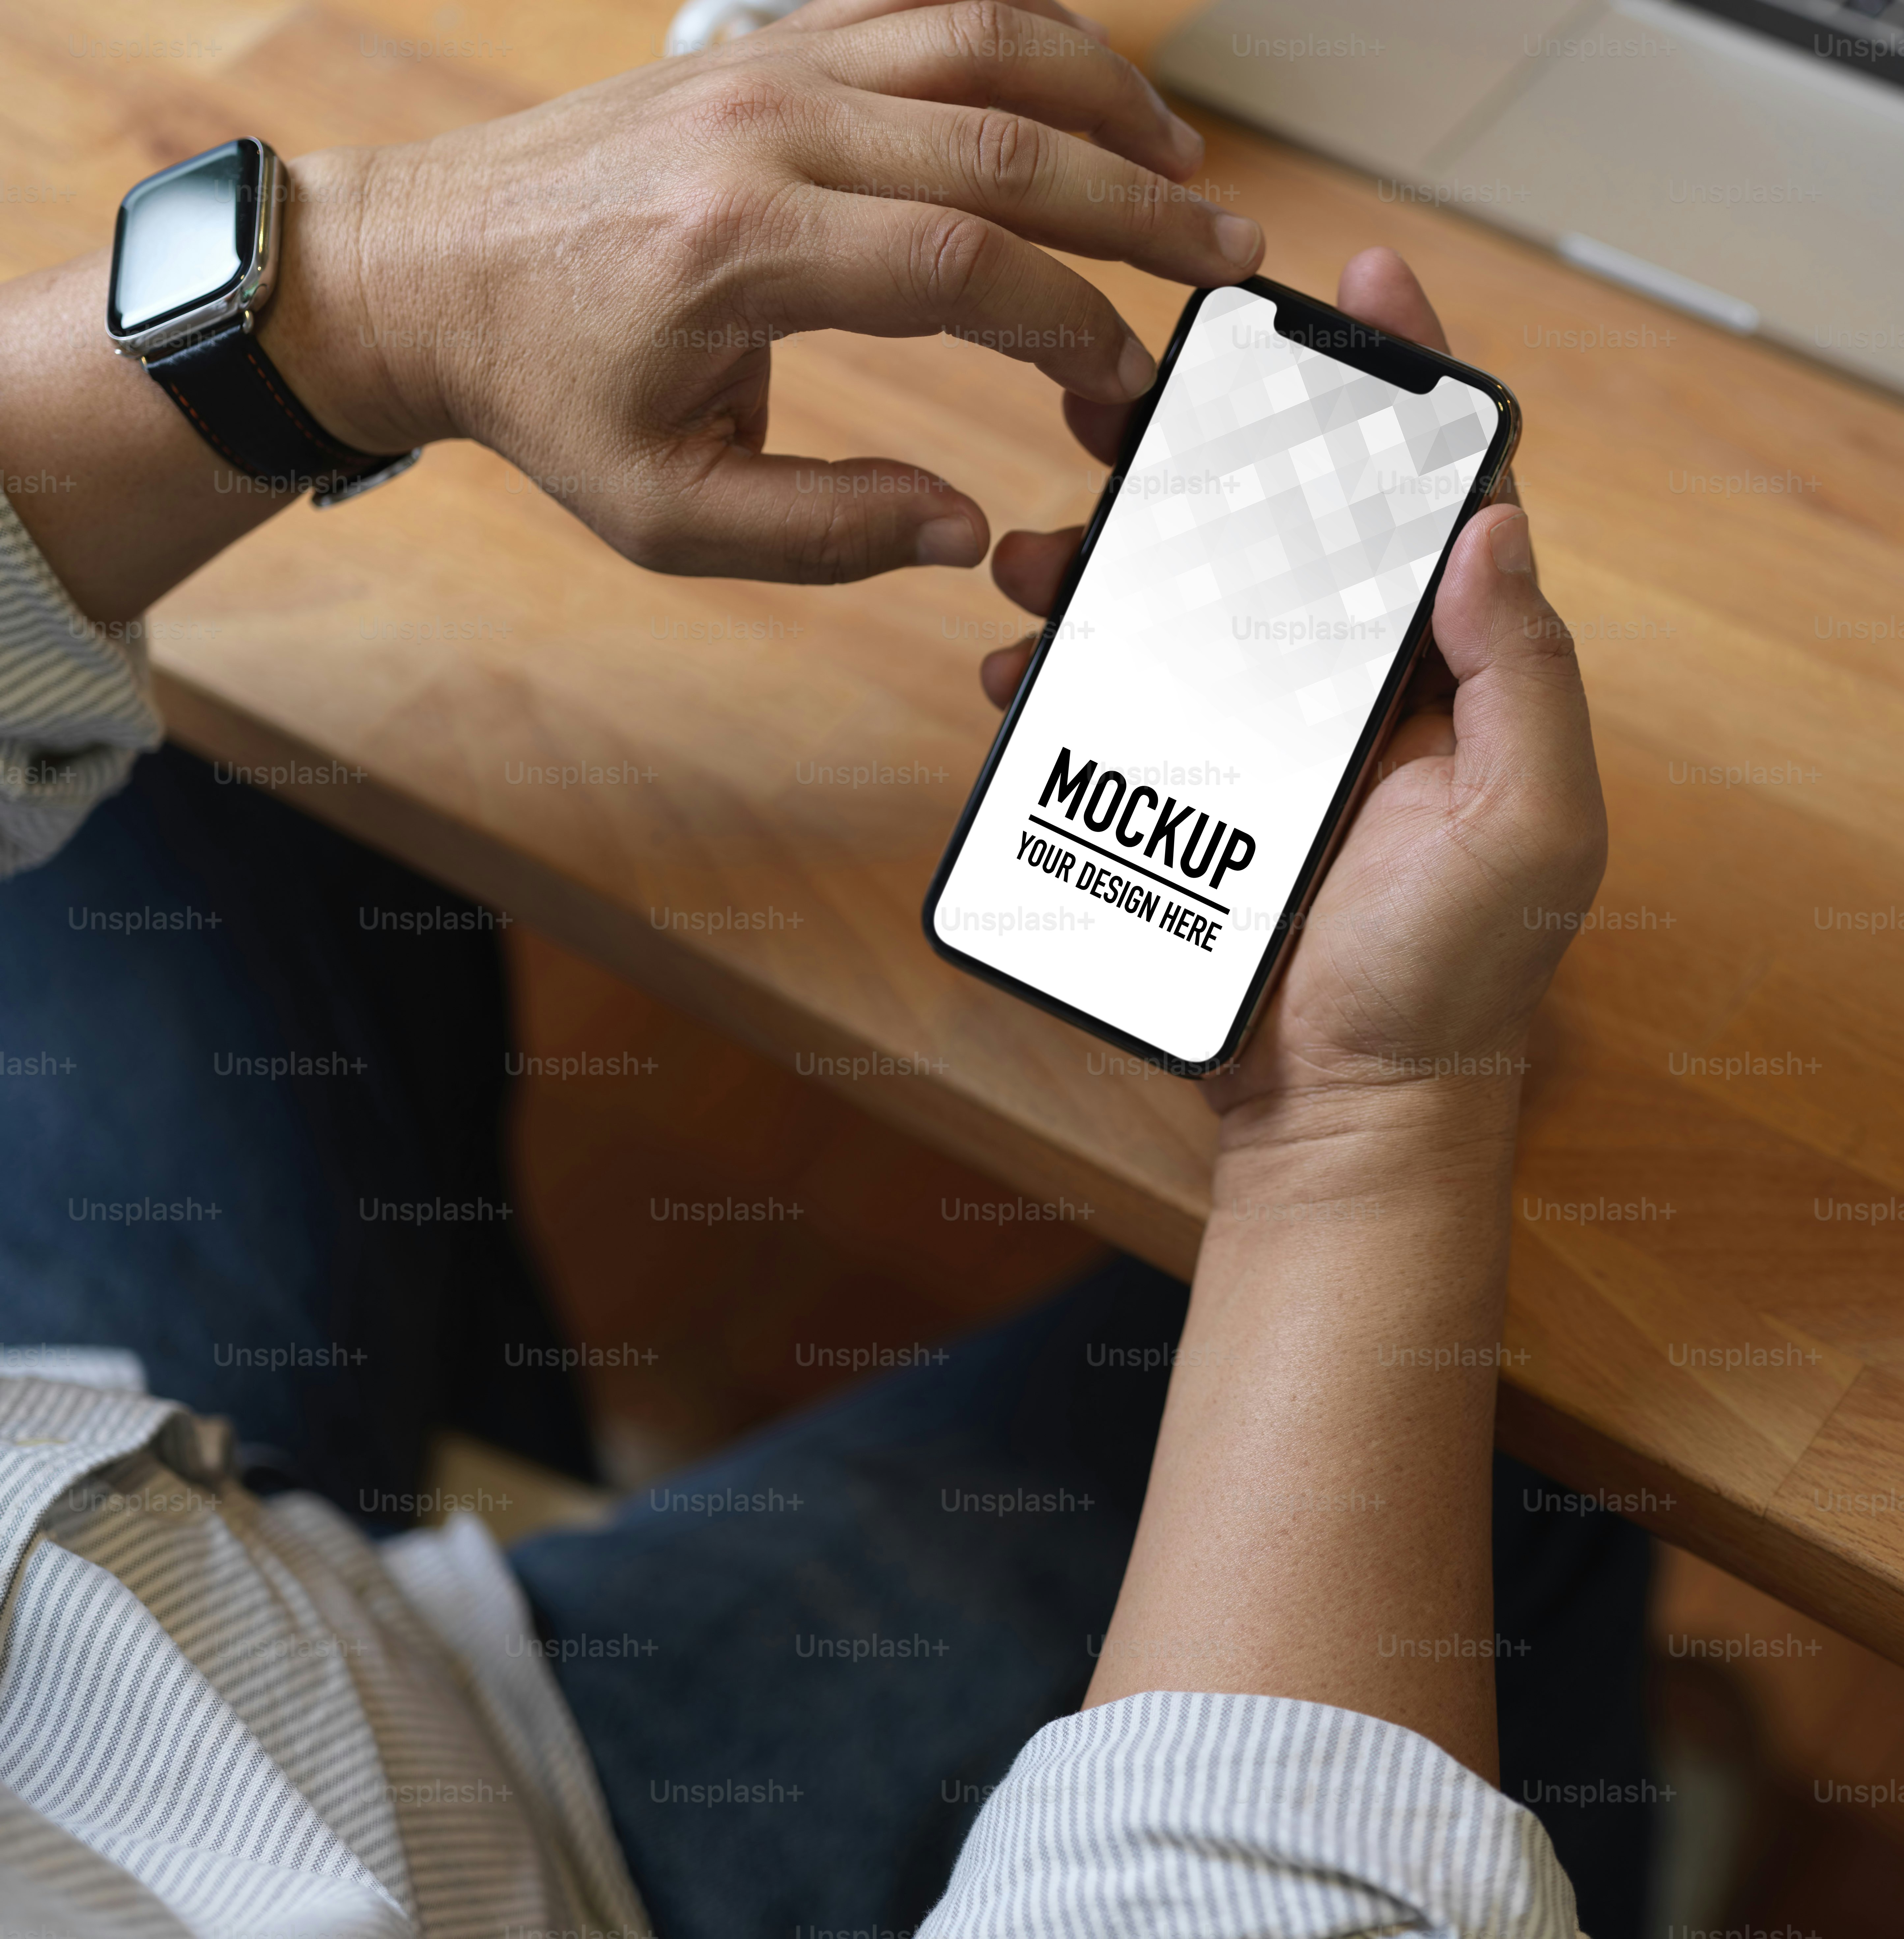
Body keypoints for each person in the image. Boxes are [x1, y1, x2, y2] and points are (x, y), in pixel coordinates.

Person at [0, 3, 1651, 1934]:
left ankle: (503, 1426)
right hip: (515, 1843)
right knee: (1542, 1438)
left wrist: (355, 295)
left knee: (241, 778)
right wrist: (1363, 1127)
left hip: (130, 1568)